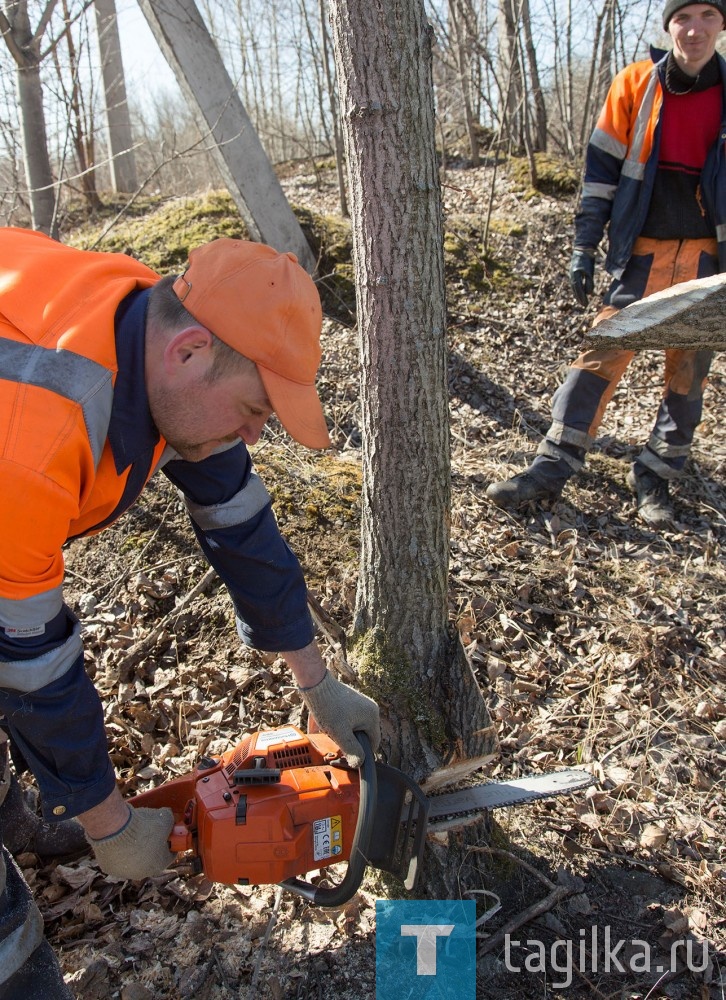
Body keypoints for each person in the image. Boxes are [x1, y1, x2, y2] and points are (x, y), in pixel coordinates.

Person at [0, 229, 381, 997]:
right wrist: (108, 823)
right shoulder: (35, 441)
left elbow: (241, 524)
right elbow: (32, 662)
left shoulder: (155, 329)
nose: (251, 433)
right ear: (189, 353)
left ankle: (19, 821)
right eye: (250, 409)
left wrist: (318, 682)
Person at [486, 1, 726, 527]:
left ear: (721, 25)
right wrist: (583, 247)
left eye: (708, 15)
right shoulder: (635, 85)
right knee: (600, 356)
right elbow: (600, 176)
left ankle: (656, 476)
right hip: (643, 254)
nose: (695, 29)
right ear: (669, 25)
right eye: (685, 17)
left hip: (709, 260)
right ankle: (551, 467)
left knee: (689, 371)